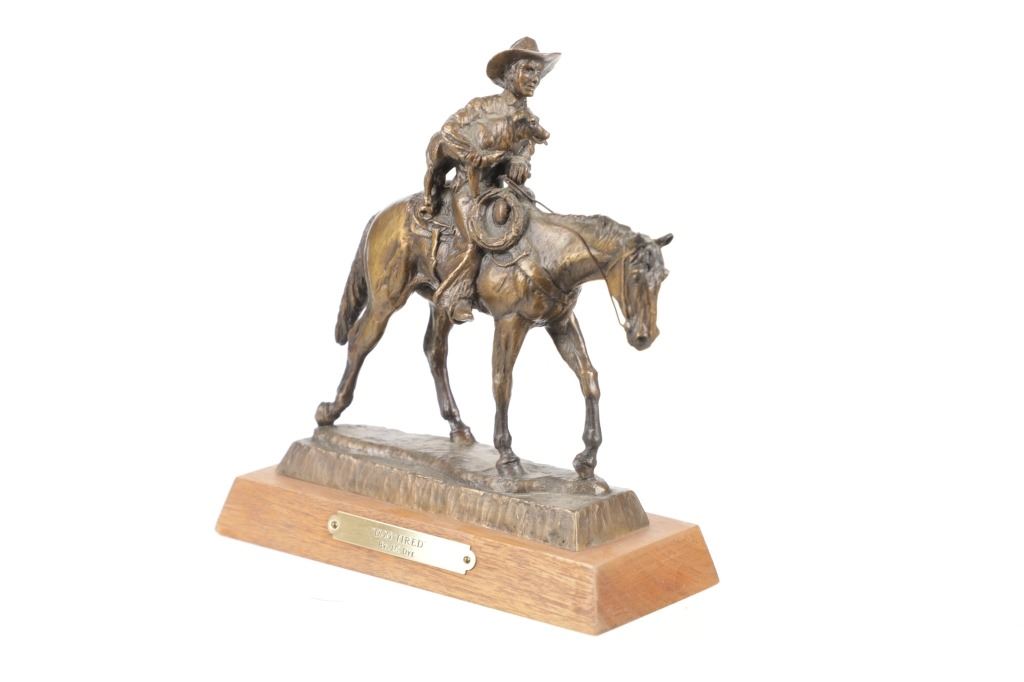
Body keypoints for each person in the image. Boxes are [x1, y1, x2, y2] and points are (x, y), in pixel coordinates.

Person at [420, 37, 560, 324]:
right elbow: (448, 132)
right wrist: (475, 155)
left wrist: (520, 162)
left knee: (531, 224)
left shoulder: (530, 121)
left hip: (501, 190)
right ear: (510, 73)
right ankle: (458, 294)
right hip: (469, 188)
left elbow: (525, 151)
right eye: (528, 70)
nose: (534, 78)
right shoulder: (481, 107)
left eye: (537, 73)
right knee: (474, 237)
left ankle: (518, 288)